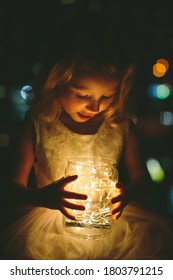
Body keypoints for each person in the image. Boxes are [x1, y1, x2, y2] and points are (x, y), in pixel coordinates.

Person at [0, 15, 173, 260]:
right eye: (82, 95)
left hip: (110, 223)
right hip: (46, 228)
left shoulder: (119, 125)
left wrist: (127, 194)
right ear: (55, 83)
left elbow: (142, 179)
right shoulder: (38, 124)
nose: (95, 105)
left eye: (107, 96)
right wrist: (42, 197)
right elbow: (9, 187)